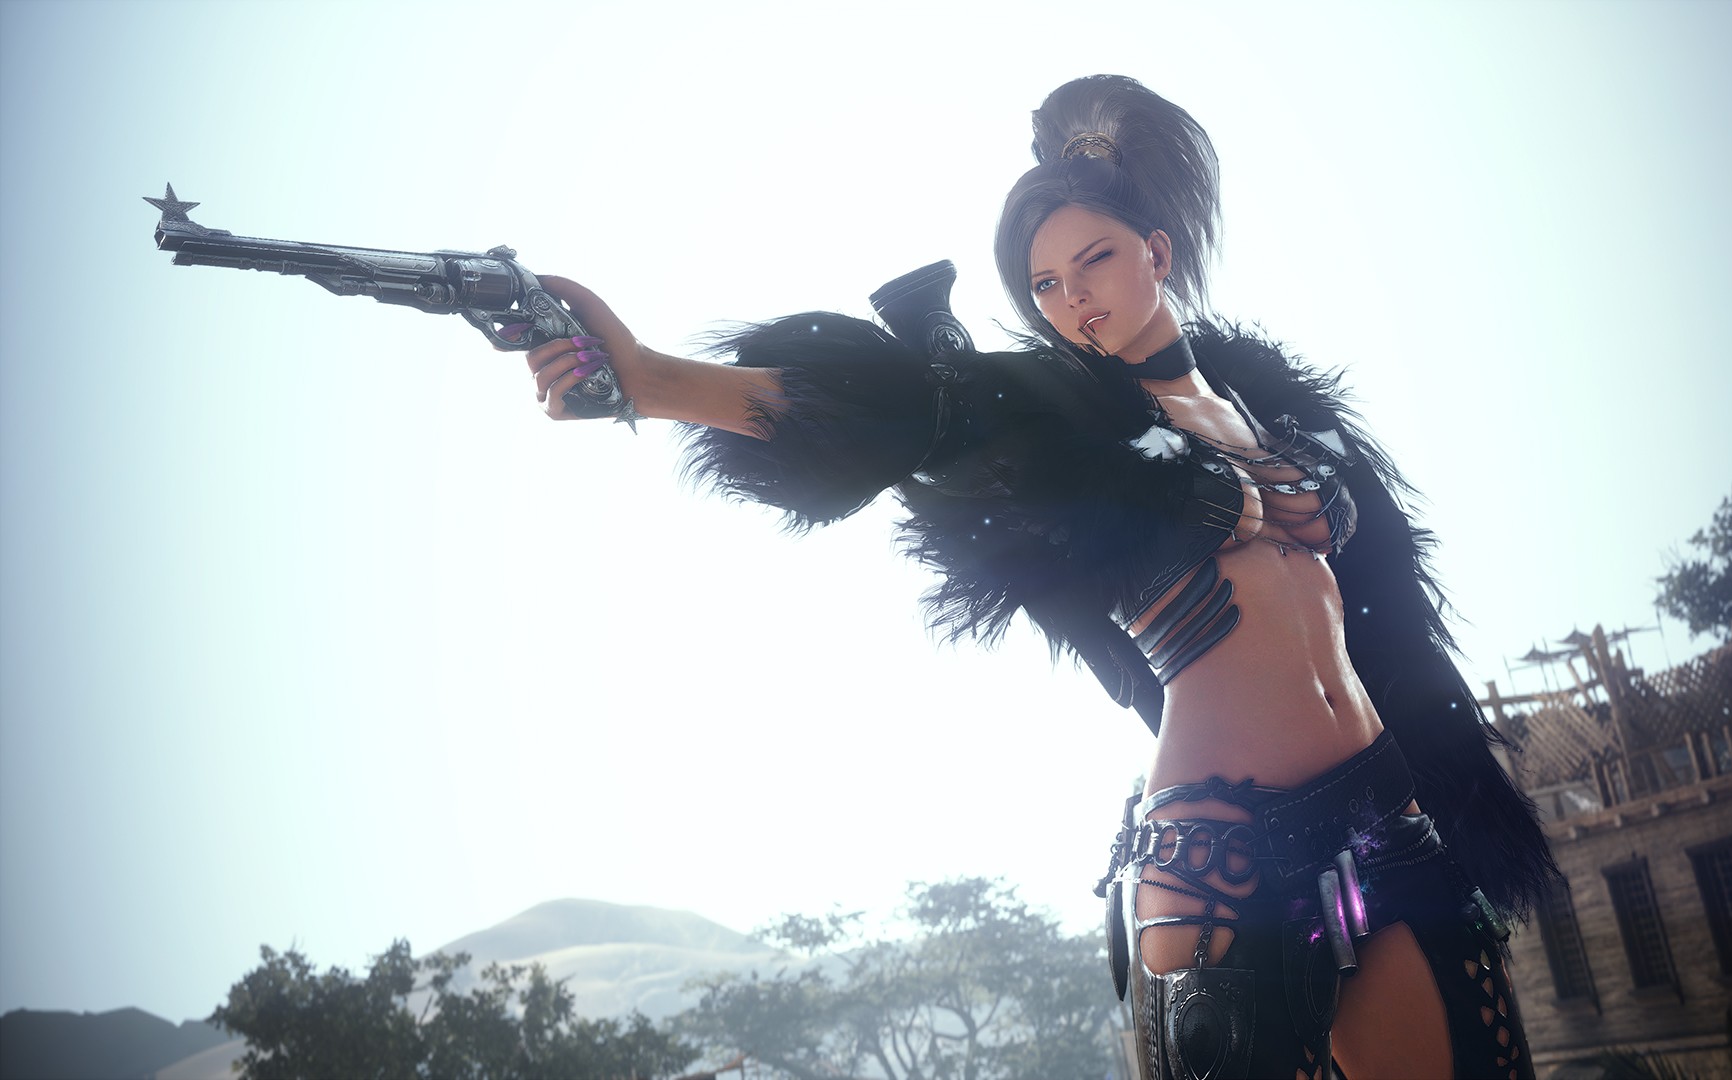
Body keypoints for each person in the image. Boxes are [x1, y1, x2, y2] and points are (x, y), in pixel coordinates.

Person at [510, 76, 1554, 1080]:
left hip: (1384, 810)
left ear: (1156, 251)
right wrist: (647, 378)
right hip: (1226, 850)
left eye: (1094, 260)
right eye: (1046, 284)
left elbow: (1373, 593)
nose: (1073, 297)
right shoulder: (1058, 419)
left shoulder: (1263, 406)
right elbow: (895, 410)